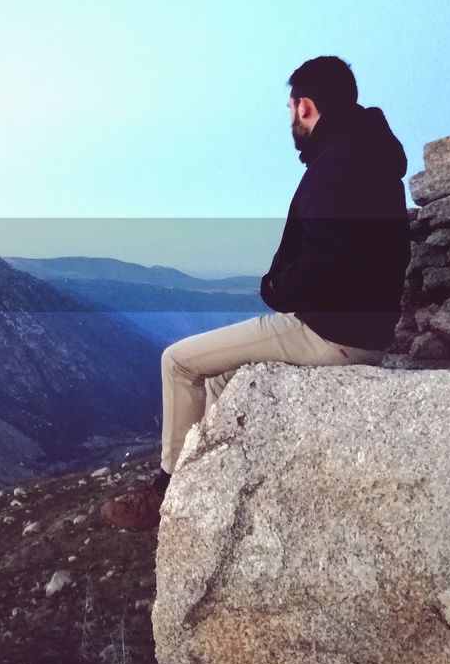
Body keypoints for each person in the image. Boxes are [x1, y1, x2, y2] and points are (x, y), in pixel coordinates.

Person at [100, 55, 411, 531]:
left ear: (305, 106)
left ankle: (167, 493)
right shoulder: (372, 158)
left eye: (290, 109)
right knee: (222, 378)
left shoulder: (337, 167)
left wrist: (273, 288)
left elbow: (325, 262)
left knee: (178, 362)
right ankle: (213, 479)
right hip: (366, 328)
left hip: (330, 330)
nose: (290, 120)